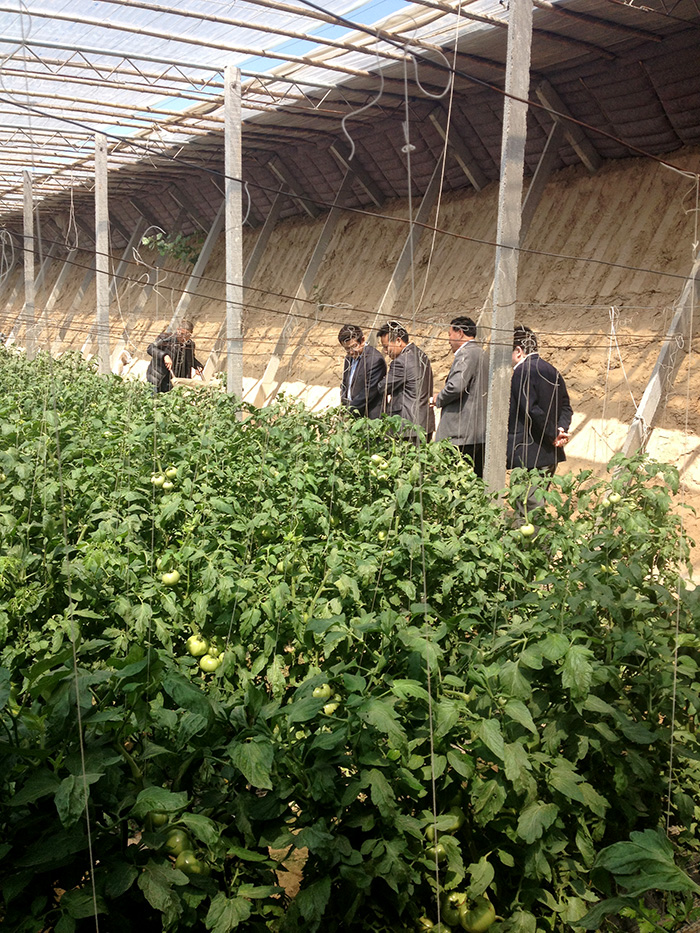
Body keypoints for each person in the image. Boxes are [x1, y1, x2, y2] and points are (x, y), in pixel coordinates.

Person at [508, 325, 573, 515]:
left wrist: (553, 433)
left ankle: (533, 545)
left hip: (529, 451)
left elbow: (531, 410)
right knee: (537, 500)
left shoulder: (522, 371)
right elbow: (566, 407)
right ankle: (536, 542)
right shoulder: (552, 370)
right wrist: (560, 430)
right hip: (550, 451)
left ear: (519, 351)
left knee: (527, 506)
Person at [431, 315, 487, 478]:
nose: (449, 340)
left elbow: (456, 386)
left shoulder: (466, 354)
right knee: (475, 481)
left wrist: (437, 398)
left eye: (450, 334)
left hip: (461, 434)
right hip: (478, 433)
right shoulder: (482, 354)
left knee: (456, 481)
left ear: (460, 333)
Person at [377, 321, 434, 441]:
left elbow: (383, 387)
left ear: (398, 340)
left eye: (386, 346)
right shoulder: (421, 355)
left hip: (408, 426)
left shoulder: (401, 362)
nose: (386, 351)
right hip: (425, 423)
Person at [338, 324, 387, 419]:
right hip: (353, 415)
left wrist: (349, 411)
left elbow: (368, 392)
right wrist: (343, 406)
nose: (351, 352)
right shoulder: (349, 358)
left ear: (363, 340)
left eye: (354, 346)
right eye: (347, 349)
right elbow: (345, 384)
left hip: (368, 416)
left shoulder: (375, 360)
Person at [146, 319, 203, 393]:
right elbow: (150, 348)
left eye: (187, 335)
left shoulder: (190, 345)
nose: (183, 338)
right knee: (153, 400)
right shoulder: (165, 338)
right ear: (178, 330)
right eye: (182, 334)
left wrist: (198, 366)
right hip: (158, 377)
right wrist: (165, 356)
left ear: (191, 334)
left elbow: (190, 359)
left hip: (174, 380)